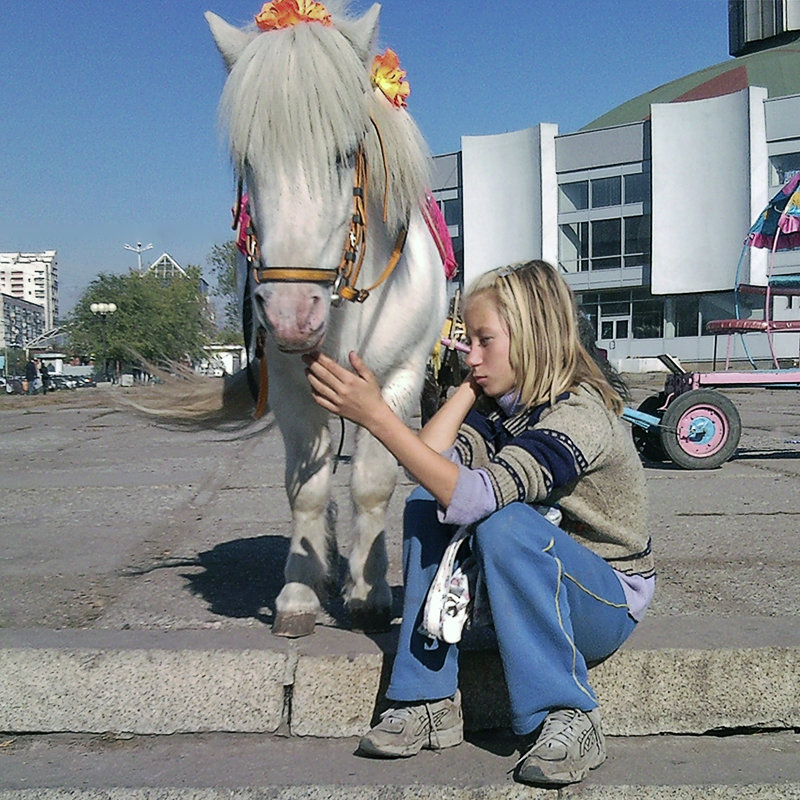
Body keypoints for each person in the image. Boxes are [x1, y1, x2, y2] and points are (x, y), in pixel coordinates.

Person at [302, 260, 653, 788]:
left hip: (603, 602)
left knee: (500, 522)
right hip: (531, 589)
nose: (471, 352)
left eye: (484, 340)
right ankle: (427, 699)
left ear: (534, 337)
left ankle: (570, 716)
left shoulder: (580, 412)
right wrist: (469, 387)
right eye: (467, 341)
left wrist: (377, 417)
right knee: (426, 500)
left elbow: (474, 496)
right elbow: (427, 458)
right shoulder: (501, 408)